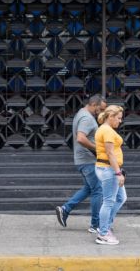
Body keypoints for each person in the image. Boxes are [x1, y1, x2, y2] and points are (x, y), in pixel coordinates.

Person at [55, 94, 106, 233]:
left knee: (89, 189)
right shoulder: (87, 118)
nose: (101, 113)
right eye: (100, 109)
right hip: (88, 160)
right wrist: (98, 149)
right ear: (94, 104)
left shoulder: (81, 114)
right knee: (98, 190)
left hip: (83, 160)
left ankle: (65, 209)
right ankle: (95, 225)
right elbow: (81, 138)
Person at [94, 104, 126, 245]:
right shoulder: (106, 131)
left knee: (121, 197)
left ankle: (105, 225)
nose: (120, 121)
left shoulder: (106, 129)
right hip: (109, 170)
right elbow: (110, 153)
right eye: (118, 118)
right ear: (111, 117)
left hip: (108, 168)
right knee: (109, 201)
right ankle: (103, 233)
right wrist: (118, 172)